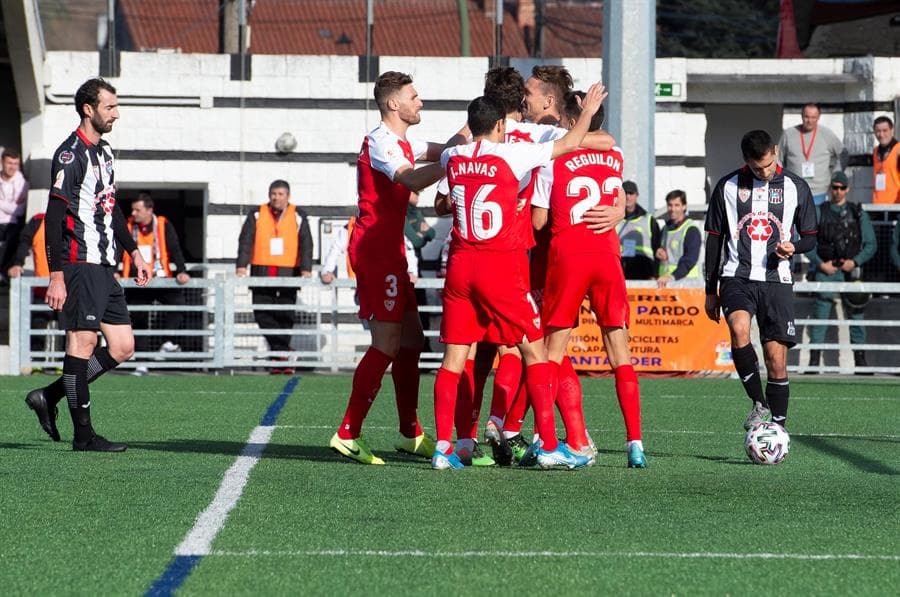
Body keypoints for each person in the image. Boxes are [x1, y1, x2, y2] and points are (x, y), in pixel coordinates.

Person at [432, 86, 606, 470]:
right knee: (535, 351)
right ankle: (547, 445)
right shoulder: (512, 153)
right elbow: (571, 143)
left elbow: (442, 193)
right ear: (499, 125)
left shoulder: (453, 156)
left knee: (453, 360)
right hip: (499, 266)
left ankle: (445, 447)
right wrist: (590, 109)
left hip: (461, 265)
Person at [330, 71, 466, 465]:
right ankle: (347, 433)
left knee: (411, 341)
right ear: (394, 104)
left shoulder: (404, 140)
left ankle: (410, 432)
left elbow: (448, 148)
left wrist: (481, 125)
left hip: (391, 251)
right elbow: (411, 177)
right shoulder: (380, 141)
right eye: (414, 96)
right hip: (374, 252)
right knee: (387, 344)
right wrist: (452, 160)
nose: (420, 102)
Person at [23, 77, 152, 452]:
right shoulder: (71, 155)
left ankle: (49, 395)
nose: (117, 113)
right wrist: (56, 276)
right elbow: (53, 216)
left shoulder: (106, 153)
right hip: (79, 265)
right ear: (88, 109)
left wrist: (135, 252)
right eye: (110, 107)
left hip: (105, 266)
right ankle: (84, 437)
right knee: (82, 343)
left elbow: (110, 213)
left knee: (123, 346)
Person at [532, 90, 647, 468]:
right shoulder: (615, 156)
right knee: (621, 355)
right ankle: (635, 444)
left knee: (552, 352)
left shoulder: (555, 157)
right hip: (607, 255)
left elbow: (539, 221)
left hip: (569, 254)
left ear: (569, 119)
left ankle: (544, 438)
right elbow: (614, 189)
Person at [704, 129, 817, 431]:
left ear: (776, 151)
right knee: (739, 329)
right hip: (736, 276)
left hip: (776, 280)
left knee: (775, 359)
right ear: (746, 162)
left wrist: (794, 246)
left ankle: (778, 429)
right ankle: (758, 403)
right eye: (757, 168)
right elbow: (714, 239)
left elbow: (810, 238)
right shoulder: (727, 187)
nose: (764, 172)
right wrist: (710, 290)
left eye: (767, 165)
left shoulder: (796, 187)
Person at [236, 179, 313, 375]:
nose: (276, 197)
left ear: (288, 196)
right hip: (261, 271)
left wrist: (306, 268)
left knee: (285, 316)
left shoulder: (298, 215)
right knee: (261, 313)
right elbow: (246, 240)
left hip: (289, 272)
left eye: (280, 194)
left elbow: (306, 242)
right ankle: (285, 353)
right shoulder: (256, 213)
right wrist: (241, 265)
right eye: (273, 194)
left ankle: (280, 360)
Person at [805, 172, 877, 372]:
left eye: (841, 188)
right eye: (834, 187)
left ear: (847, 189)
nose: (838, 191)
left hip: (850, 272)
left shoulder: (858, 213)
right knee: (820, 315)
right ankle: (813, 362)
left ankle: (860, 362)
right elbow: (808, 243)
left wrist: (855, 262)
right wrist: (820, 264)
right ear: (830, 188)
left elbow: (871, 244)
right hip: (827, 270)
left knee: (856, 313)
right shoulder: (820, 212)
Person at [121, 192, 191, 375]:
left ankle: (168, 341)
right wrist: (114, 270)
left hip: (160, 278)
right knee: (139, 319)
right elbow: (117, 247)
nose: (134, 213)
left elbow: (175, 248)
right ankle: (141, 363)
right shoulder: (127, 225)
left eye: (138, 209)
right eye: (133, 210)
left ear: (149, 210)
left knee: (178, 304)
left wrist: (182, 271)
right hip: (137, 281)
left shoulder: (162, 224)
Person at [7, 212, 56, 357]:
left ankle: (64, 365)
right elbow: (24, 241)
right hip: (42, 287)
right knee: (38, 323)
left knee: (68, 327)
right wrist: (17, 263)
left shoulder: (74, 220)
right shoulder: (38, 220)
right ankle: (36, 361)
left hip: (68, 287)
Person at [777, 103, 845, 206]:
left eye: (813, 117)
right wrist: (780, 181)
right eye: (806, 117)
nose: (809, 121)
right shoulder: (789, 134)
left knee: (817, 221)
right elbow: (778, 159)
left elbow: (843, 153)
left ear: (818, 117)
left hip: (820, 192)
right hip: (795, 190)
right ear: (801, 116)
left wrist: (836, 174)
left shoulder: (827, 134)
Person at [404, 191, 436, 350]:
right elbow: (415, 241)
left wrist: (421, 233)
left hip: (417, 271)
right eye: (415, 192)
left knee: (422, 314)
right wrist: (421, 233)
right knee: (406, 318)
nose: (417, 195)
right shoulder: (401, 213)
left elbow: (432, 233)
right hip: (404, 272)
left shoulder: (415, 212)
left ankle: (425, 351)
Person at [656, 190, 701, 288]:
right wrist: (659, 252)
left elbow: (690, 260)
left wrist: (672, 276)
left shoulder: (691, 230)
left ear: (684, 206)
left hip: (686, 286)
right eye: (670, 205)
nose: (672, 209)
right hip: (665, 284)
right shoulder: (665, 229)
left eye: (677, 205)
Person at [616, 180, 661, 280]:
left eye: (631, 193)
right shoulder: (613, 219)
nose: (628, 197)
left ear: (637, 195)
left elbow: (657, 249)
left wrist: (655, 274)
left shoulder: (649, 220)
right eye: (625, 193)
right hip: (619, 268)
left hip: (644, 269)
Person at [0, 148, 28, 279]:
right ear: (2, 162)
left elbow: (20, 210)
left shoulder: (23, 184)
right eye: (9, 163)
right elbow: (15, 208)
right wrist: (11, 206)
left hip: (13, 224)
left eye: (15, 164)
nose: (12, 167)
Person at [872, 116, 899, 204]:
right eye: (878, 131)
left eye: (885, 130)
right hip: (877, 205)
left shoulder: (898, 150)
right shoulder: (875, 151)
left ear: (892, 130)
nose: (881, 135)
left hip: (895, 206)